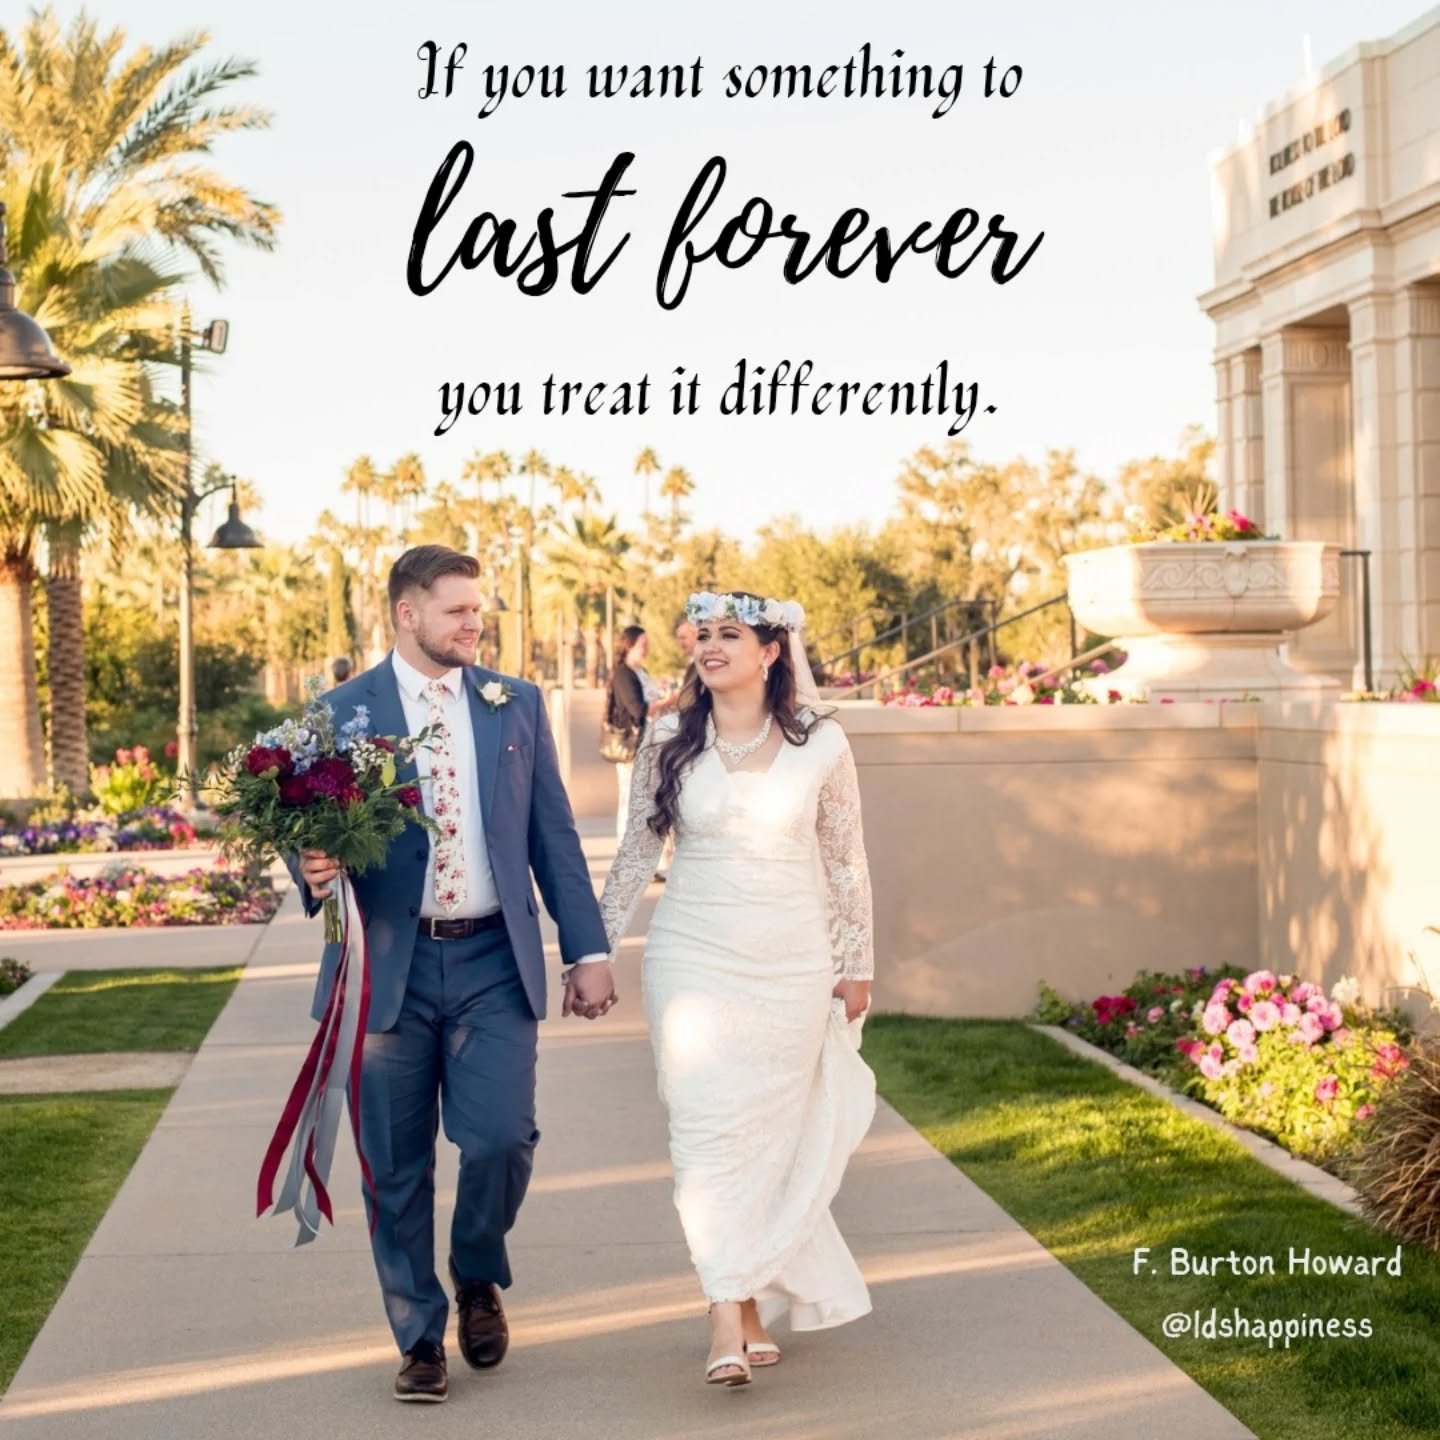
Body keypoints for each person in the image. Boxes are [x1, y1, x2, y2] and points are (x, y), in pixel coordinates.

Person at [290, 545, 617, 1405]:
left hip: (491, 962)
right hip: (385, 966)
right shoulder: (340, 713)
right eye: (459, 611)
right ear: (408, 614)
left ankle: (477, 1273)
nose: (476, 623)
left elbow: (552, 836)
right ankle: (418, 1336)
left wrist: (587, 951)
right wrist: (311, 863)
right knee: (393, 1170)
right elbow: (306, 830)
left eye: (479, 610)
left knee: (501, 1137)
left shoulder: (516, 706)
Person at [598, 589, 877, 1388]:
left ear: (772, 651)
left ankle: (746, 1298)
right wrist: (592, 948)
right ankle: (725, 1307)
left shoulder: (821, 740)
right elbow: (632, 853)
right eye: (703, 634)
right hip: (692, 953)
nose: (710, 646)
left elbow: (846, 858)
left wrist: (856, 963)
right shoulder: (664, 736)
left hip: (791, 958)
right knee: (707, 1130)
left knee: (768, 1136)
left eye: (730, 634)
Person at [604, 625, 651, 844]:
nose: (646, 650)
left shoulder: (639, 672)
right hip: (631, 746)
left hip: (644, 744)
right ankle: (625, 846)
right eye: (643, 645)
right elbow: (637, 709)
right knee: (630, 797)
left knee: (640, 798)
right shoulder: (624, 674)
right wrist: (669, 701)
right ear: (630, 646)